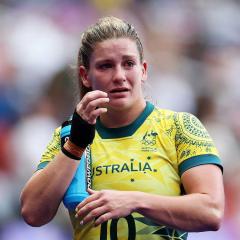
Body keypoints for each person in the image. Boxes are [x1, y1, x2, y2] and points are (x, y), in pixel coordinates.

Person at [20, 16, 225, 240]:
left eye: (128, 64)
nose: (119, 76)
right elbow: (32, 213)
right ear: (85, 76)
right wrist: (75, 146)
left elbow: (211, 211)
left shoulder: (180, 127)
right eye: (105, 66)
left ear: (143, 70)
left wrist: (134, 201)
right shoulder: (69, 135)